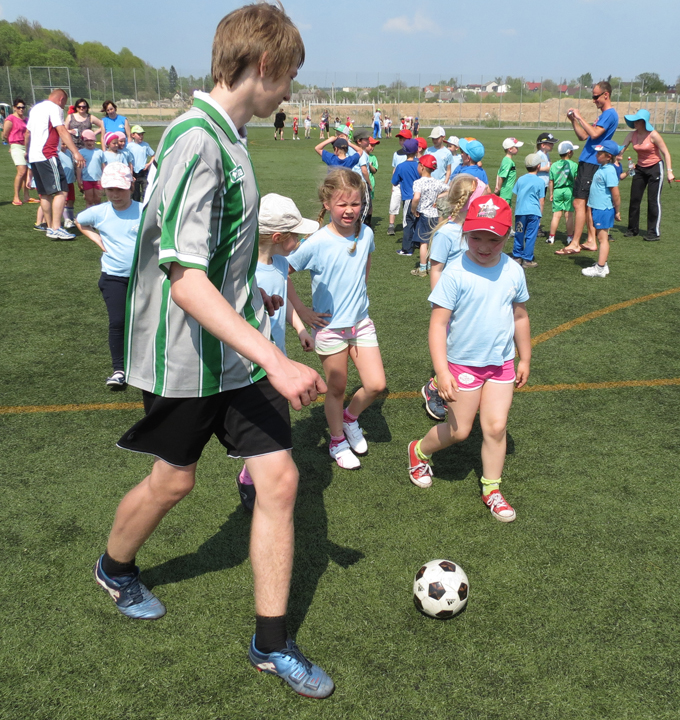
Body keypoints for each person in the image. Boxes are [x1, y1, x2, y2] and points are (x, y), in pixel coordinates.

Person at [92, 3, 334, 699]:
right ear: (264, 64)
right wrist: (279, 359)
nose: (289, 90)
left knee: (280, 480)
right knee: (175, 482)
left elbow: (225, 263)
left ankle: (271, 643)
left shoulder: (229, 137)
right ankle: (115, 568)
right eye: (289, 75)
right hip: (185, 358)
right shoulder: (196, 140)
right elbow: (187, 282)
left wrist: (274, 319)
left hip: (236, 353)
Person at [407, 194, 530, 525]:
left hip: (501, 363)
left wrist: (525, 358)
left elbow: (520, 316)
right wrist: (442, 371)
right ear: (465, 233)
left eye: (494, 239)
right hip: (462, 365)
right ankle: (418, 451)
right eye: (476, 237)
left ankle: (492, 488)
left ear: (507, 236)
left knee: (496, 426)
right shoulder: (455, 272)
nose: (484, 246)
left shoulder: (513, 270)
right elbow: (438, 325)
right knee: (460, 431)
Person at [288, 168, 385, 471]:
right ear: (327, 203)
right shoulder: (317, 241)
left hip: (360, 322)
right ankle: (336, 441)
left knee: (376, 384)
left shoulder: (366, 234)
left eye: (355, 204)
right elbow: (282, 272)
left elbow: (365, 262)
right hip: (329, 328)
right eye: (342, 204)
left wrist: (359, 294)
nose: (349, 210)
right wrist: (302, 311)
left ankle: (349, 418)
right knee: (337, 389)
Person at [236, 193, 318, 511]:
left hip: (278, 359)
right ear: (278, 237)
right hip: (253, 363)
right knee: (270, 430)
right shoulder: (245, 272)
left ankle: (251, 475)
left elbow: (285, 301)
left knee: (271, 427)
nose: (300, 240)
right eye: (296, 235)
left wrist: (300, 329)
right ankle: (253, 479)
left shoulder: (282, 264)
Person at [421, 174, 485, 421]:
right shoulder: (447, 233)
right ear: (469, 201)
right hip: (451, 305)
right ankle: (435, 388)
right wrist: (441, 304)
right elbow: (436, 269)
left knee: (466, 346)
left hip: (473, 303)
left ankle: (460, 385)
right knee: (450, 348)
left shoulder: (475, 232)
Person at [75, 164, 142, 388]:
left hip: (144, 278)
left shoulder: (144, 210)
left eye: (120, 189)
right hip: (114, 277)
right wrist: (95, 238)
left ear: (131, 187)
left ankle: (146, 365)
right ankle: (119, 369)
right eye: (110, 189)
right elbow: (80, 221)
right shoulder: (99, 212)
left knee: (145, 322)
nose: (115, 194)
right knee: (118, 321)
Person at [558, 81, 618, 255]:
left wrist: (579, 116)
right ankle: (591, 240)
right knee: (586, 205)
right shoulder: (603, 115)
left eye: (596, 96)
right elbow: (584, 136)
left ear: (606, 95)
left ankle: (575, 243)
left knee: (579, 203)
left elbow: (594, 133)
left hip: (591, 162)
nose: (594, 100)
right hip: (588, 161)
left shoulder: (609, 114)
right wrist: (574, 121)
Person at [26, 88, 85, 241]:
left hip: (34, 156)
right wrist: (75, 152)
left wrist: (27, 152)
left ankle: (50, 227)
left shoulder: (35, 108)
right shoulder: (54, 108)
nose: (63, 107)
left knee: (45, 193)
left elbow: (27, 133)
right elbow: (61, 130)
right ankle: (56, 228)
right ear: (61, 100)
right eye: (64, 104)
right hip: (48, 154)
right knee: (62, 190)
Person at [619, 108, 674, 241]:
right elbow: (621, 149)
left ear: (644, 122)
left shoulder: (653, 135)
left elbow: (666, 153)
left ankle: (653, 232)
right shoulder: (632, 135)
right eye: (634, 121)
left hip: (655, 168)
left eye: (638, 121)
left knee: (653, 201)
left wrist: (669, 172)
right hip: (640, 169)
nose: (635, 123)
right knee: (635, 199)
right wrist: (617, 156)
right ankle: (632, 229)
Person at [581, 140, 621, 278]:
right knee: (600, 238)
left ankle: (600, 268)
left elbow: (616, 194)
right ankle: (603, 264)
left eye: (599, 153)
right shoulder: (602, 167)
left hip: (603, 209)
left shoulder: (609, 171)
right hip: (597, 208)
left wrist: (617, 210)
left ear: (608, 156)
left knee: (602, 239)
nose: (596, 155)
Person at [410, 154, 448, 278]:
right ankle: (431, 266)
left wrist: (413, 209)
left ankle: (422, 268)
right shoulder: (437, 182)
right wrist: (438, 197)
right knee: (432, 242)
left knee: (423, 243)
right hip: (435, 216)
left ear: (422, 167)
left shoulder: (418, 182)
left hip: (423, 215)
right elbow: (450, 189)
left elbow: (416, 197)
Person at [511, 153, 545, 268]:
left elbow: (516, 193)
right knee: (531, 236)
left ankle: (517, 257)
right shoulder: (540, 181)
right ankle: (527, 259)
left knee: (519, 234)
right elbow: (541, 200)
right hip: (534, 212)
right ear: (538, 166)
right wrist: (540, 214)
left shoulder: (521, 179)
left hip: (520, 212)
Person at [2, 98, 37, 206]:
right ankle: (16, 197)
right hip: (16, 145)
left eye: (23, 107)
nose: (21, 109)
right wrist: (12, 145)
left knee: (26, 172)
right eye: (19, 107)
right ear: (14, 108)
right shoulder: (10, 119)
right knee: (21, 171)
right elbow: (5, 134)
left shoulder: (26, 119)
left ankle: (26, 196)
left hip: (26, 146)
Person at [392, 138, 420, 256]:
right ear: (417, 150)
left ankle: (407, 249)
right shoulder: (420, 165)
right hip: (420, 197)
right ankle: (418, 243)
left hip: (408, 198)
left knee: (407, 222)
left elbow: (394, 181)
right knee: (418, 220)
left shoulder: (400, 166)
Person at [547, 140, 579, 244]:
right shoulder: (574, 165)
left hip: (557, 191)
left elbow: (551, 181)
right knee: (569, 216)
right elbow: (576, 180)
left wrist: (551, 193)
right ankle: (569, 237)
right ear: (569, 152)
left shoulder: (554, 165)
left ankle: (551, 237)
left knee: (556, 216)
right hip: (569, 191)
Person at [387, 128, 412, 235]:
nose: (401, 141)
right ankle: (391, 225)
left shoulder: (412, 154)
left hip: (409, 183)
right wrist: (393, 184)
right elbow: (395, 169)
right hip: (398, 182)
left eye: (404, 139)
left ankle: (408, 224)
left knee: (409, 204)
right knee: (394, 202)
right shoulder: (396, 154)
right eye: (400, 139)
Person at [77, 129, 105, 207]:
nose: (89, 143)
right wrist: (79, 180)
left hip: (98, 179)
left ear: (94, 140)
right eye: (87, 141)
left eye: (91, 140)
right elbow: (79, 167)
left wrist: (104, 178)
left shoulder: (99, 152)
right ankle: (89, 214)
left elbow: (103, 166)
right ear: (83, 141)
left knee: (98, 200)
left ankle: (98, 214)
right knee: (89, 200)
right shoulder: (81, 152)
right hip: (86, 179)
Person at [127, 125, 155, 202]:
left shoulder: (145, 145)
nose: (141, 136)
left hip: (143, 171)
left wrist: (148, 164)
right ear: (133, 135)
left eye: (142, 134)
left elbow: (153, 155)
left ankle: (145, 206)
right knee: (135, 194)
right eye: (139, 134)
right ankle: (136, 206)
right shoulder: (129, 146)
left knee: (146, 192)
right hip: (134, 173)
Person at [495, 138, 524, 204]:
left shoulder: (505, 160)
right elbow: (501, 176)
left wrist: (497, 187)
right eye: (516, 147)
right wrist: (498, 189)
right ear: (510, 149)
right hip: (505, 194)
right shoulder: (508, 162)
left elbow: (499, 173)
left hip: (507, 194)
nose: (518, 149)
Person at [58, 141, 76, 229]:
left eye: (66, 144)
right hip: (62, 181)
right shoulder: (57, 153)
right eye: (62, 144)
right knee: (65, 200)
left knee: (71, 200)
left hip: (70, 180)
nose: (64, 146)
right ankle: (66, 219)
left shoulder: (69, 152)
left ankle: (71, 218)